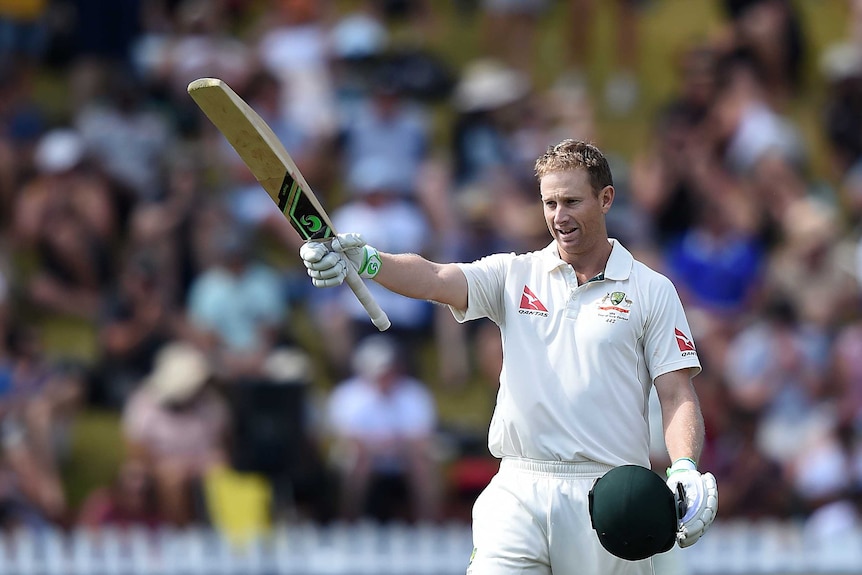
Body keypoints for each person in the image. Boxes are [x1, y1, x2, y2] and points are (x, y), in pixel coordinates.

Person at [300, 139, 717, 573]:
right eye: (549, 203)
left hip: (609, 495)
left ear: (606, 198)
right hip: (518, 486)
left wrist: (684, 465)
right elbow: (436, 278)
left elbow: (676, 394)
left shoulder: (650, 290)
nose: (559, 216)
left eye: (572, 201)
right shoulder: (515, 273)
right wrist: (367, 261)